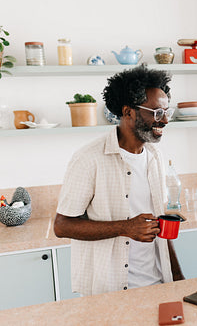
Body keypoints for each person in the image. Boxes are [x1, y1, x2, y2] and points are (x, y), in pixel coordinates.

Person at [54, 65, 184, 296]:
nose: (164, 121)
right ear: (128, 112)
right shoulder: (89, 159)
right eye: (156, 113)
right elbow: (62, 226)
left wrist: (178, 278)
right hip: (109, 291)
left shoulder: (155, 157)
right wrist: (125, 227)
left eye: (166, 112)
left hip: (156, 285)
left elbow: (158, 224)